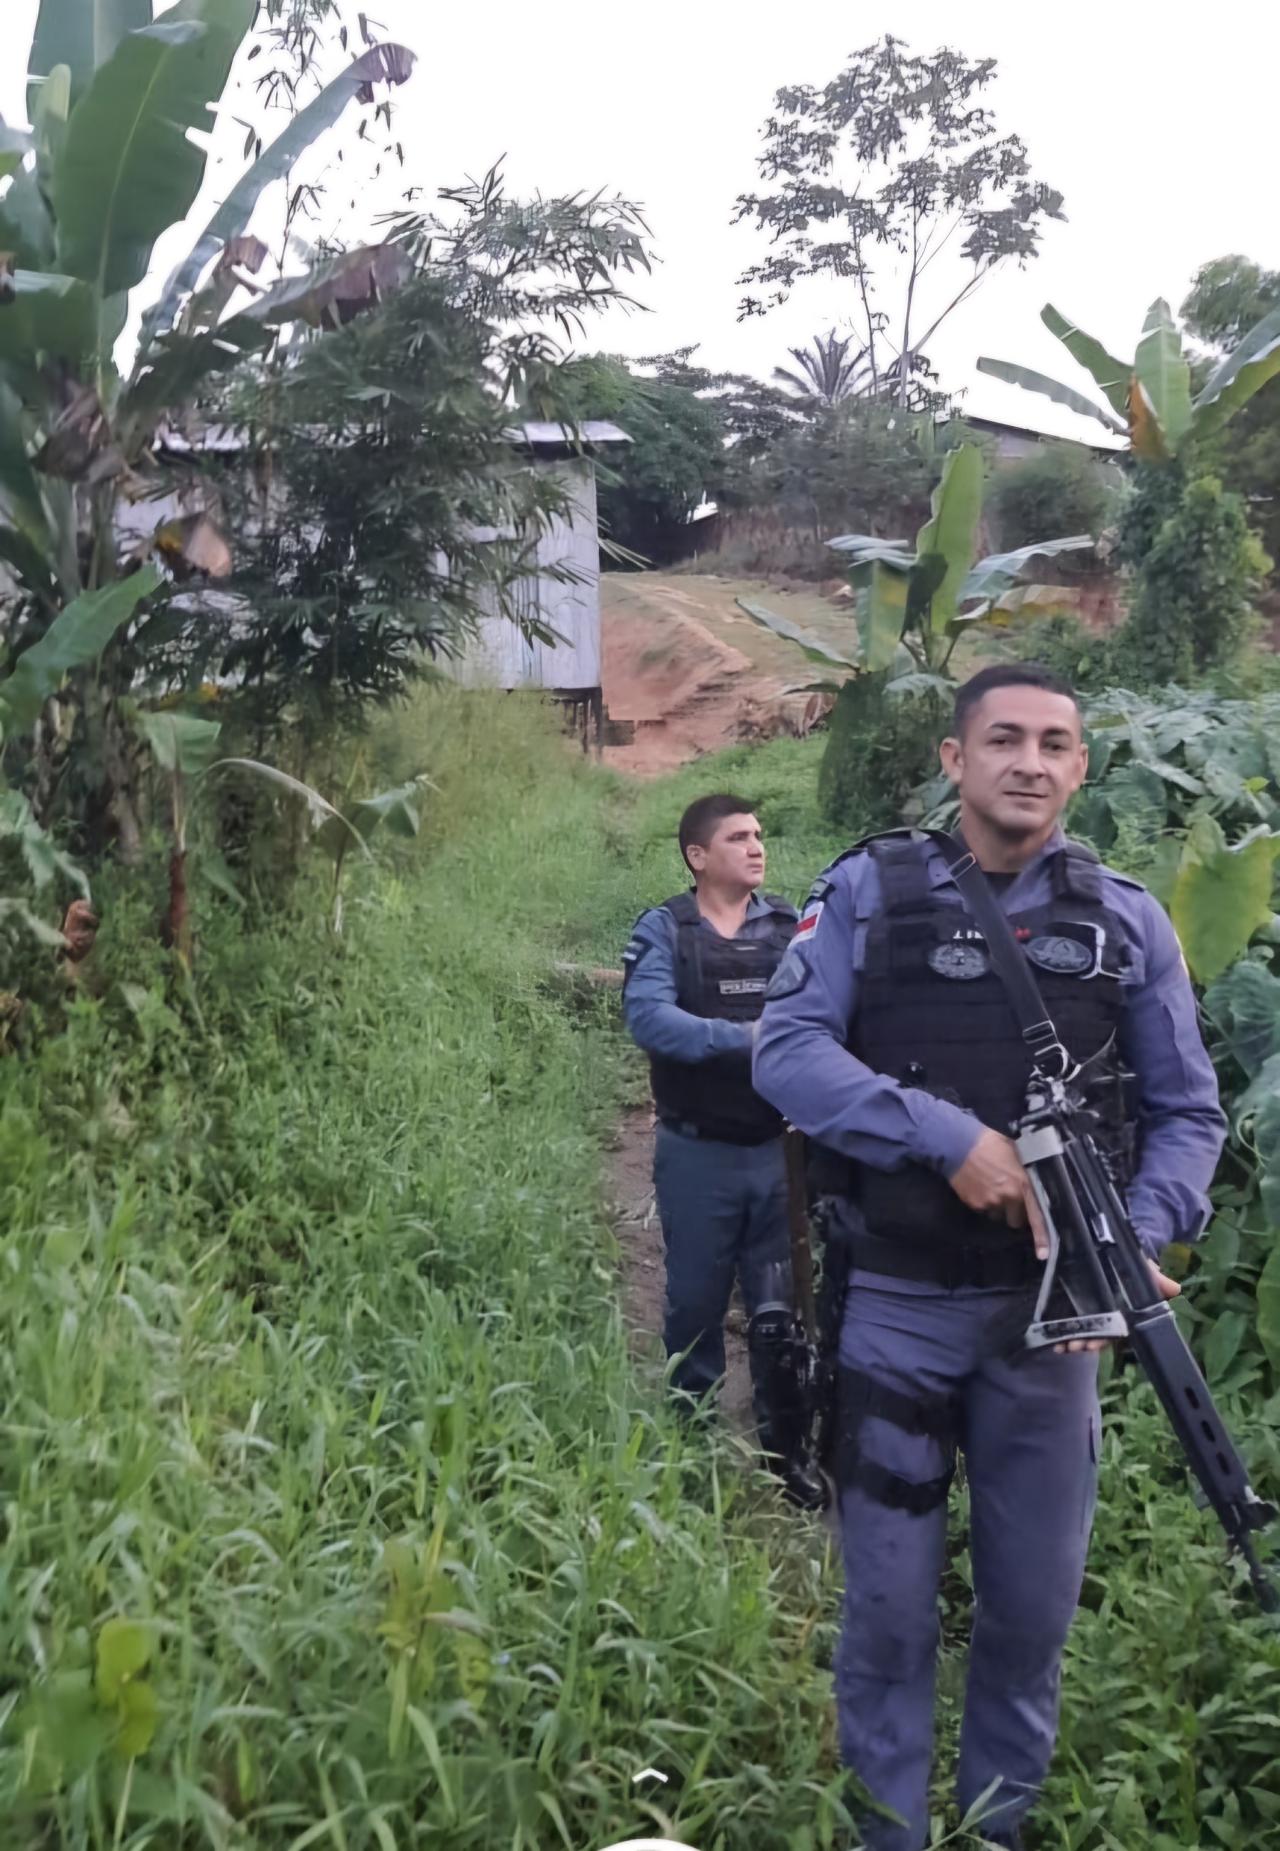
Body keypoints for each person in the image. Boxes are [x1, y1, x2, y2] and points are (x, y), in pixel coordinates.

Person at [753, 664, 1227, 1850]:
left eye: (1054, 744)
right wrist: (944, 1138)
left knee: (1027, 1619)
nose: (1029, 762)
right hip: (897, 1308)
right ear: (954, 760)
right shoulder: (868, 891)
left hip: (1051, 1330)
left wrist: (1142, 1225)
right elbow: (788, 1052)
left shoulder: (1125, 918)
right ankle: (887, 1834)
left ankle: (996, 1831)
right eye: (1002, 739)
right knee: (887, 1619)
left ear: (1078, 767)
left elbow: (1187, 1112)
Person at [622, 792, 825, 1509]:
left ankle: (787, 1449)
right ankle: (689, 1450)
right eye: (738, 836)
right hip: (698, 1155)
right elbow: (650, 1018)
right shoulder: (665, 930)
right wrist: (744, 1040)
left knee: (780, 1311)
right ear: (698, 856)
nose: (755, 845)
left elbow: (824, 1007)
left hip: (780, 1153)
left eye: (759, 834)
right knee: (695, 1305)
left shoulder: (788, 925)